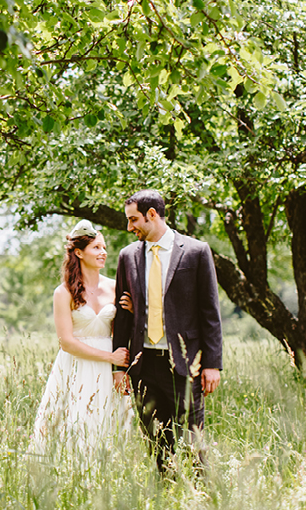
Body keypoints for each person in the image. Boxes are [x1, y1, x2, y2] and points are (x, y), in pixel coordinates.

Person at [112, 190, 223, 475]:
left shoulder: (197, 251)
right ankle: (169, 494)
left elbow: (210, 313)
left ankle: (200, 497)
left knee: (193, 438)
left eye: (133, 219)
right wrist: (118, 367)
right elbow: (122, 316)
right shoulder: (127, 256)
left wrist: (212, 364)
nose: (129, 227)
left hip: (186, 364)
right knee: (157, 441)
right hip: (143, 364)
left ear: (152, 214)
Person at [30, 219, 130, 455]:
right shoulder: (63, 292)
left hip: (110, 370)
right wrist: (110, 357)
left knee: (109, 424)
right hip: (76, 365)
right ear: (79, 252)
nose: (103, 252)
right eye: (96, 247)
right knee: (75, 422)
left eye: (104, 247)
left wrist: (132, 311)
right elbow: (66, 342)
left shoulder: (115, 287)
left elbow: (123, 329)